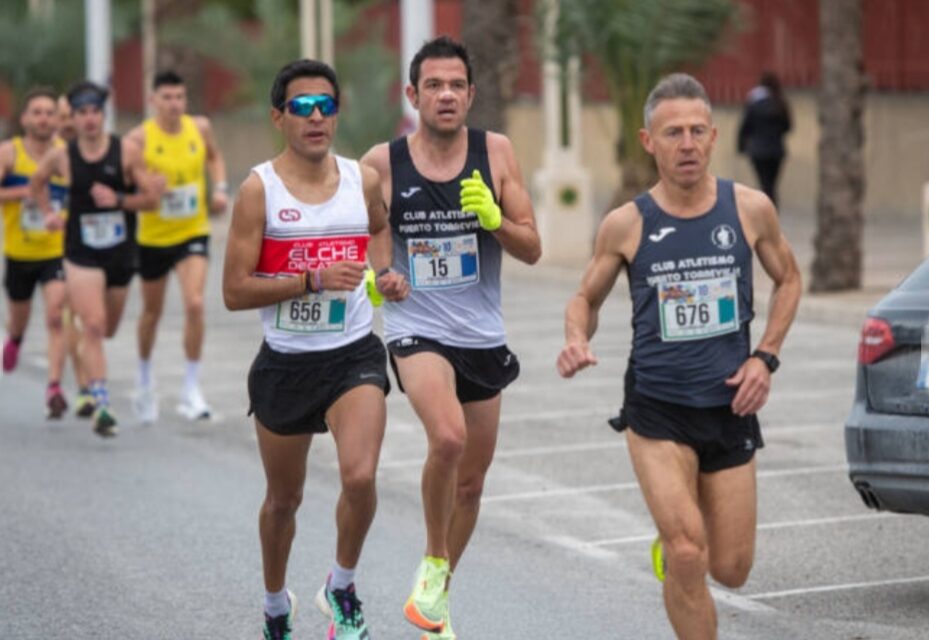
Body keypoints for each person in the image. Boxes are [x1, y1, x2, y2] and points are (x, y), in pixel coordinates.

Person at [557, 73, 801, 639]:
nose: (686, 144)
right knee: (690, 550)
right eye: (673, 133)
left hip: (729, 405)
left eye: (696, 131)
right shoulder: (627, 224)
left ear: (715, 136)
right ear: (649, 141)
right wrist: (576, 337)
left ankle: (674, 545)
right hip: (657, 408)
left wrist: (765, 357)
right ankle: (677, 543)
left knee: (732, 569)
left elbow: (789, 279)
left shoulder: (749, 209)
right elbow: (584, 297)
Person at [362, 35, 541, 638]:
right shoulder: (382, 164)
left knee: (471, 481)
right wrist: (380, 275)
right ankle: (435, 560)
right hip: (418, 328)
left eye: (455, 85)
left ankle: (436, 593)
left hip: (482, 332)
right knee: (447, 438)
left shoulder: (496, 153)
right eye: (432, 85)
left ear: (471, 94)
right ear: (413, 95)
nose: (445, 95)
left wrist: (493, 217)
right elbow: (372, 236)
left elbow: (532, 246)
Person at [222, 59, 408, 640]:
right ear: (278, 117)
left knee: (360, 476)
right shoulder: (260, 192)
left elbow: (380, 228)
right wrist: (311, 281)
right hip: (284, 362)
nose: (316, 117)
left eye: (326, 105)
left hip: (352, 352)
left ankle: (343, 584)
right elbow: (233, 291)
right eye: (302, 107)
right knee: (284, 500)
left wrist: (383, 274)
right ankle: (276, 601)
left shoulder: (362, 181)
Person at [30, 80, 162, 437]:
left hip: (120, 254)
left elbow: (151, 199)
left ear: (103, 116)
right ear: (72, 119)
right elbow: (36, 182)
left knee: (108, 328)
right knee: (93, 324)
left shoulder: (125, 153)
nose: (90, 119)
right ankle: (102, 404)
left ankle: (91, 363)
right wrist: (49, 213)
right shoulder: (62, 156)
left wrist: (119, 200)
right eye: (82, 113)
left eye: (95, 112)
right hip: (80, 253)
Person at [125, 70, 229, 424]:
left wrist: (219, 188)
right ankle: (143, 378)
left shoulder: (199, 128)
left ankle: (190, 387)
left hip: (192, 231)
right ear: (153, 100)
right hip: (154, 237)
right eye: (166, 98)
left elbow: (215, 158)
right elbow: (125, 187)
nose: (174, 104)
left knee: (195, 303)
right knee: (151, 314)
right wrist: (146, 189)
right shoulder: (137, 139)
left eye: (179, 97)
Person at [0, 87, 69, 417]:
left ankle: (54, 385)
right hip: (18, 252)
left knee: (56, 315)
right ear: (25, 118)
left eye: (49, 112)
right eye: (37, 112)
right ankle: (14, 338)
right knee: (20, 316)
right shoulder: (9, 153)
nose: (44, 118)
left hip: (55, 250)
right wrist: (25, 192)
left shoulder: (65, 154)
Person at [737, 71, 792, 206]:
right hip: (776, 150)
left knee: (764, 183)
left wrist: (741, 146)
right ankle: (773, 211)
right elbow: (788, 126)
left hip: (758, 150)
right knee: (772, 184)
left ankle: (767, 212)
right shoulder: (780, 103)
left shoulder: (754, 104)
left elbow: (745, 126)